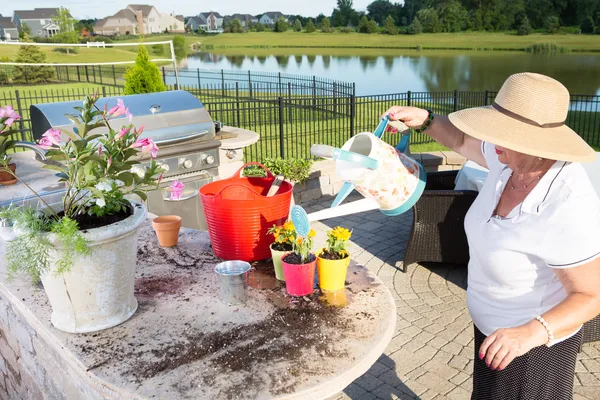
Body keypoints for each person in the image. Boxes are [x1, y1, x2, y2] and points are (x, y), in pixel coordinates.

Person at [384, 72, 600, 399]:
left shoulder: (568, 204)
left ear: (539, 145)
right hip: (494, 333)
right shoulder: (510, 161)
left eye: (503, 135)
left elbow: (590, 296)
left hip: (532, 351)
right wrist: (424, 120)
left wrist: (529, 333)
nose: (493, 141)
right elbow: (460, 141)